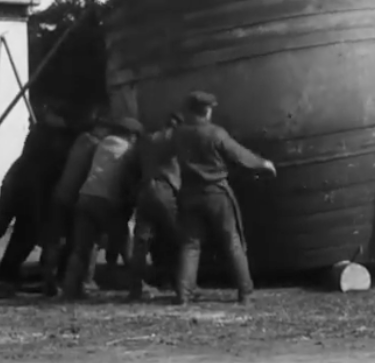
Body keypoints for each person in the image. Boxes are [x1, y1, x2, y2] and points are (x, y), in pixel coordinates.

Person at [172, 91, 277, 306]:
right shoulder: (215, 133)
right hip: (216, 193)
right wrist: (264, 164)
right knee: (232, 242)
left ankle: (183, 295)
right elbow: (239, 155)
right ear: (207, 111)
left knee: (191, 245)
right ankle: (245, 292)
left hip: (189, 194)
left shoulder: (178, 134)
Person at [0, 101, 77, 288]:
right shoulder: (50, 135)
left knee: (9, 228)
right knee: (22, 231)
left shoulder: (41, 131)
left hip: (17, 181)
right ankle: (7, 270)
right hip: (27, 186)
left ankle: (7, 269)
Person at [62, 117, 144, 299]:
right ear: (132, 136)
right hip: (106, 200)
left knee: (83, 247)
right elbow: (128, 180)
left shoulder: (101, 145)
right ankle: (137, 286)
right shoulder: (128, 151)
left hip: (85, 197)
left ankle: (72, 288)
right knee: (125, 244)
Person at [41, 116, 111, 296]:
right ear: (101, 129)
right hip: (74, 197)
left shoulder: (81, 139)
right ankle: (83, 281)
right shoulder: (97, 147)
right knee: (83, 242)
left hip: (59, 193)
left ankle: (49, 279)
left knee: (56, 241)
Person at [129, 112, 184, 300]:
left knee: (142, 242)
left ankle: (136, 287)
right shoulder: (175, 139)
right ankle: (181, 286)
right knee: (177, 238)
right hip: (164, 190)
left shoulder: (145, 140)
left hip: (145, 190)